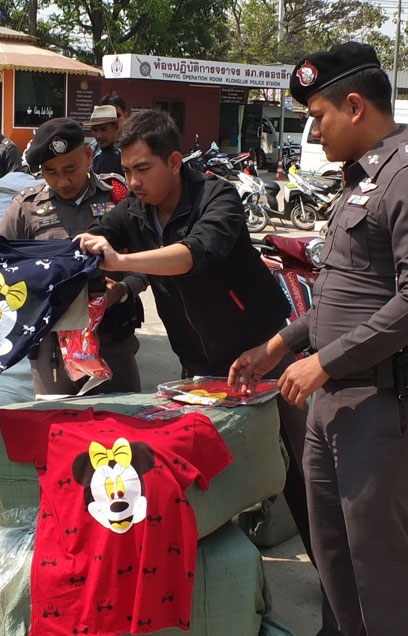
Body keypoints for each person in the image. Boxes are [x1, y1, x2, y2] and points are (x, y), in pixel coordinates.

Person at [228, 43, 408, 636]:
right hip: (334, 400)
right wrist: (279, 345)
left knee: (380, 557)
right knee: (331, 544)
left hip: (381, 402)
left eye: (318, 115)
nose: (314, 130)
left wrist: (325, 361)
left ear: (355, 106)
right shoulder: (362, 179)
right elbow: (340, 296)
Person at [76, 110, 315, 575]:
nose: (133, 182)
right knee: (206, 469)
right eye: (126, 171)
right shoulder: (136, 209)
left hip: (263, 353)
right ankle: (215, 575)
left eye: (142, 169)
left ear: (174, 161)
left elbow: (194, 254)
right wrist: (89, 243)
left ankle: (338, 586)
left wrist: (121, 261)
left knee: (302, 470)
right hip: (198, 362)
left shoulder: (216, 195)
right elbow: (105, 234)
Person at [0, 117, 143, 395]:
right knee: (55, 418)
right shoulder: (26, 208)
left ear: (88, 156)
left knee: (122, 417)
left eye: (70, 169)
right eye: (51, 172)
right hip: (51, 345)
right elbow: (2, 266)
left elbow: (148, 256)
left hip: (111, 338)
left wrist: (124, 289)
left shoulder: (118, 198)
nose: (62, 181)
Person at [84, 104, 124, 177]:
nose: (99, 136)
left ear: (115, 127)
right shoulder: (97, 153)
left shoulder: (122, 154)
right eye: (95, 130)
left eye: (104, 129)